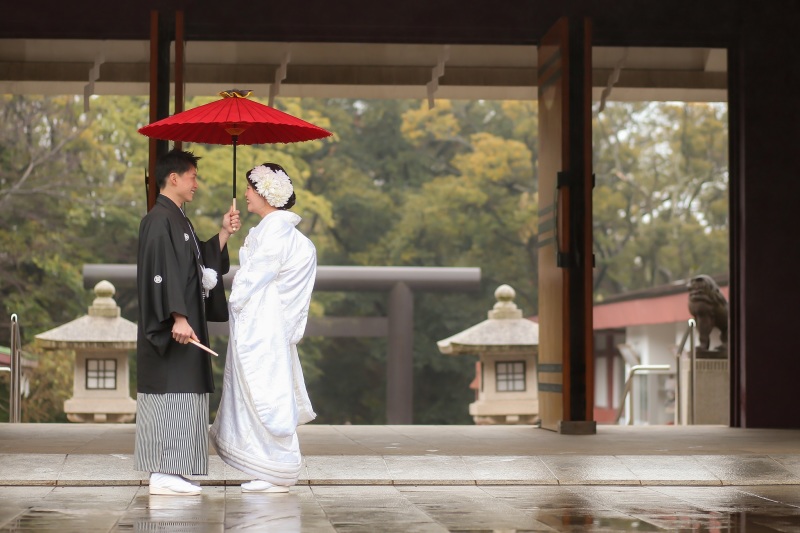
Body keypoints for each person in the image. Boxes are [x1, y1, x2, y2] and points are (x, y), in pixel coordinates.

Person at [135, 148, 240, 496]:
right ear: (174, 178)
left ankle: (176, 470)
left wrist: (223, 233)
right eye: (193, 177)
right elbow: (160, 273)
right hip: (173, 327)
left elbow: (198, 264)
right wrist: (177, 316)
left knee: (186, 393)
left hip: (186, 323)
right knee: (171, 392)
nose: (196, 184)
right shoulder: (158, 220)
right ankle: (162, 472)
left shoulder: (179, 219)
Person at [210, 162, 316, 493]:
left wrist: (236, 299)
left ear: (266, 194)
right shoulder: (277, 231)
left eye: (250, 188)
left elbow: (252, 279)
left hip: (263, 326)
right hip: (266, 324)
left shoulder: (275, 233)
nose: (245, 194)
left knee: (265, 393)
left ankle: (275, 469)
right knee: (259, 390)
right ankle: (265, 467)